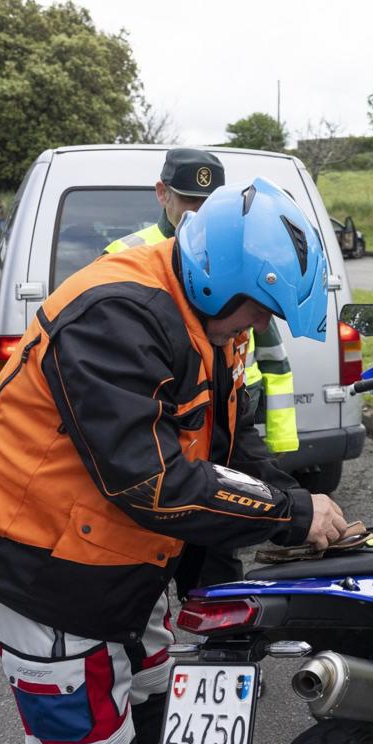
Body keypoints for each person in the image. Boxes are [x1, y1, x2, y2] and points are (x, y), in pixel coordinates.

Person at [0, 176, 347, 744]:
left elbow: (219, 449)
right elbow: (153, 482)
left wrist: (297, 502)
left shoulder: (210, 322)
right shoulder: (114, 314)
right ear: (219, 283)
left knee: (148, 700)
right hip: (45, 572)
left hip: (122, 556)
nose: (263, 325)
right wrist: (291, 514)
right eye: (261, 309)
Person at [104, 149, 300, 597]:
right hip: (163, 459)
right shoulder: (125, 266)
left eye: (208, 204)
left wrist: (287, 486)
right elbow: (144, 470)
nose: (198, 214)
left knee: (220, 590)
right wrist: (290, 512)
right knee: (144, 597)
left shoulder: (236, 268)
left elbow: (269, 354)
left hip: (217, 440)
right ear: (161, 195)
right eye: (189, 201)